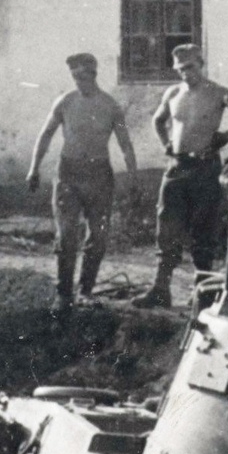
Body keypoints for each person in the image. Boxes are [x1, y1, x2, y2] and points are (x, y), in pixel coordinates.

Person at [134, 44, 228, 308]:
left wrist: (224, 137)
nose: (186, 73)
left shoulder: (219, 93)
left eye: (190, 67)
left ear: (201, 64)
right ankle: (161, 289)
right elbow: (158, 120)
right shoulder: (173, 93)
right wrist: (166, 143)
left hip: (205, 169)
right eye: (180, 68)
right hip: (176, 167)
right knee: (167, 228)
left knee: (203, 232)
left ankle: (202, 294)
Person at [26, 53, 138, 309]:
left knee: (98, 236)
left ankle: (86, 290)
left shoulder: (111, 106)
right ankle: (64, 294)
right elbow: (45, 135)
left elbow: (125, 144)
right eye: (74, 76)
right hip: (69, 174)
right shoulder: (65, 101)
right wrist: (34, 169)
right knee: (66, 235)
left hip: (99, 176)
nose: (78, 81)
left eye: (82, 76)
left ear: (93, 74)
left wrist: (133, 178)